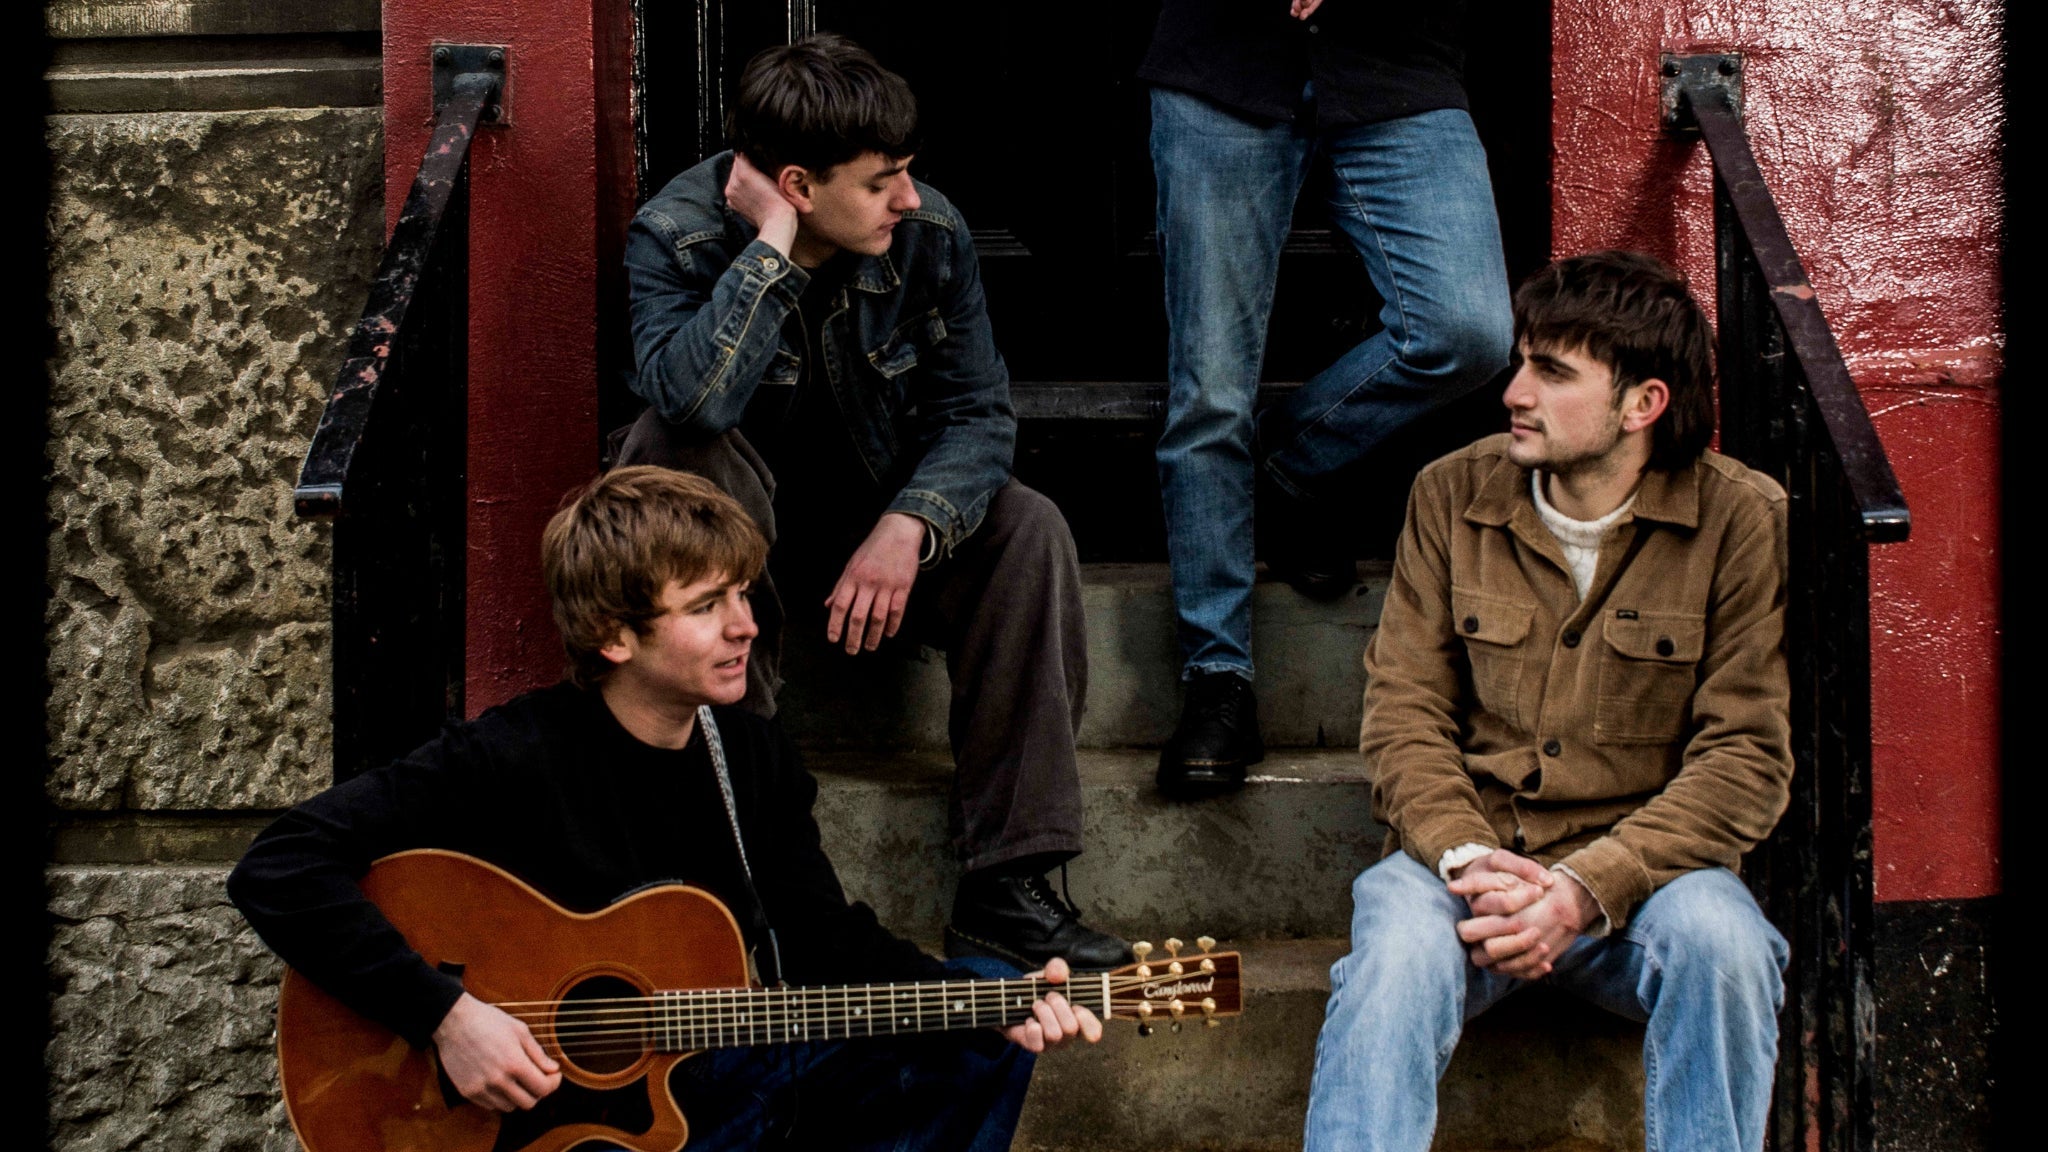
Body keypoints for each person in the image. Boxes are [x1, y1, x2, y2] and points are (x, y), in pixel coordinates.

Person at [229, 467, 1102, 1150]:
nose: (745, 626)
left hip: (713, 1096)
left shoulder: (748, 755)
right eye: (707, 606)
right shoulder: (510, 756)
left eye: (743, 595)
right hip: (554, 1129)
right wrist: (448, 1017)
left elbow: (825, 940)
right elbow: (279, 866)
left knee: (985, 1015)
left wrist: (989, 1000)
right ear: (614, 636)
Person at [614, 33, 1128, 970]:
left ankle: (1007, 887)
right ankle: (743, 859)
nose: (908, 198)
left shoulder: (932, 237)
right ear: (797, 186)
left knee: (1030, 527)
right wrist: (771, 249)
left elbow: (978, 414)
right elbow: (691, 403)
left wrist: (910, 523)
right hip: (739, 558)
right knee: (671, 454)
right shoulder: (678, 235)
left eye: (906, 172)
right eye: (881, 180)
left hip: (876, 538)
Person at [1304, 251, 1793, 1152]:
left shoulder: (1740, 519)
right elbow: (1404, 714)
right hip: (1470, 869)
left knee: (1728, 948)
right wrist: (1470, 858)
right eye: (1522, 361)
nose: (1514, 393)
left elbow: (1746, 759)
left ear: (1642, 405)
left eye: (1553, 373)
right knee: (1395, 950)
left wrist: (1587, 888)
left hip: (1645, 883)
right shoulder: (1450, 493)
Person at [1140, 0, 1514, 797]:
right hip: (1222, 66)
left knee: (1467, 331)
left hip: (1398, 63)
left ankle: (1289, 460)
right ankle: (1217, 679)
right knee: (1210, 394)